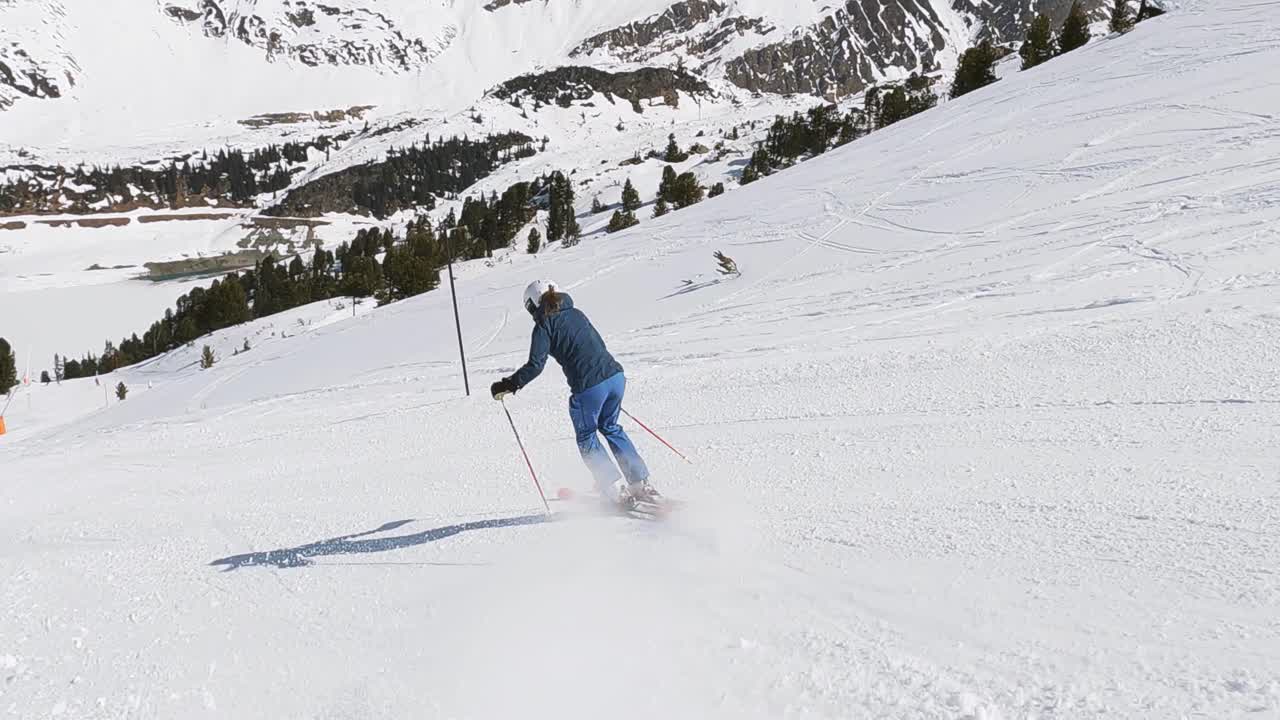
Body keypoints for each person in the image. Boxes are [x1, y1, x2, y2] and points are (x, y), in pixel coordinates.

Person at [491, 280, 659, 507]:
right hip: (615, 378)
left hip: (590, 387)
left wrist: (509, 384)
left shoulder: (543, 325)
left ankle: (612, 490)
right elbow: (597, 343)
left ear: (532, 305)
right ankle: (640, 483)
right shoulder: (577, 313)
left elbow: (536, 365)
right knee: (610, 427)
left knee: (587, 436)